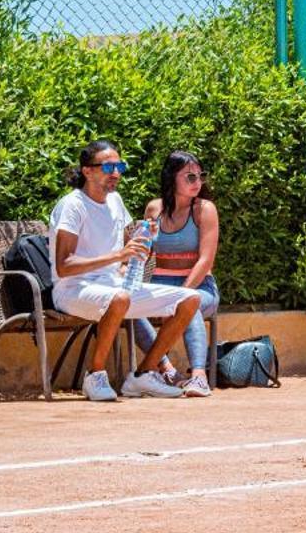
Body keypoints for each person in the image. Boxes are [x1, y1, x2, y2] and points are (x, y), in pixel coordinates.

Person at [50, 140, 201, 403]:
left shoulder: (115, 201)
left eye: (119, 166)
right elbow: (64, 266)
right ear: (87, 170)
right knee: (120, 299)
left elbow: (127, 236)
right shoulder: (72, 205)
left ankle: (143, 374)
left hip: (115, 287)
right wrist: (118, 255)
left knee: (189, 299)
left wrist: (145, 230)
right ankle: (94, 374)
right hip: (73, 289)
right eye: (109, 166)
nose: (116, 173)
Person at [130, 151, 221, 397]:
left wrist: (182, 292)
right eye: (190, 177)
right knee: (125, 306)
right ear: (172, 178)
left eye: (200, 176)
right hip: (160, 286)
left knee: (187, 304)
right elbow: (144, 253)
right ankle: (166, 369)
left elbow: (205, 260)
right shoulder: (154, 208)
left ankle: (199, 376)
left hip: (199, 286)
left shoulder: (205, 209)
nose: (197, 183)